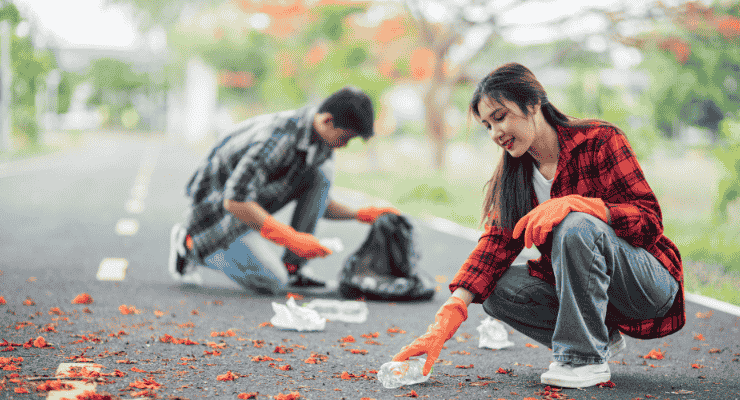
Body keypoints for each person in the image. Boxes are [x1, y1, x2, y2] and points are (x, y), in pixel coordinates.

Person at [392, 63, 684, 388]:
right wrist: (445, 321)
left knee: (576, 225)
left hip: (645, 285)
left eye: (500, 117)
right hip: (589, 296)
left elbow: (649, 221)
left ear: (533, 103)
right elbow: (493, 248)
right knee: (493, 289)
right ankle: (598, 337)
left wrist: (582, 206)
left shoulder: (599, 139)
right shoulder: (515, 175)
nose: (494, 133)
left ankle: (582, 359)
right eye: (487, 125)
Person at [168, 86, 400, 293]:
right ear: (328, 120)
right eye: (346, 138)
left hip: (248, 201)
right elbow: (234, 201)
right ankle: (190, 245)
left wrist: (360, 215)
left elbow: (319, 203)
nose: (346, 145)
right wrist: (292, 238)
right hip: (215, 215)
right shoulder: (278, 138)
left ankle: (294, 268)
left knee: (321, 175)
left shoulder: (320, 139)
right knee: (271, 281)